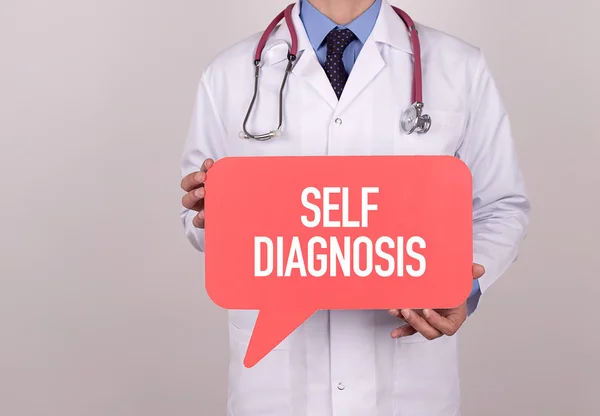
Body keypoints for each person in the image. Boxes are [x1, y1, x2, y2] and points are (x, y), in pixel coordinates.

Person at [180, 0, 530, 414]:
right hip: (277, 384)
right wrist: (214, 218)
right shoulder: (229, 73)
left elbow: (501, 205)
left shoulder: (458, 66)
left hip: (406, 386)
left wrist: (460, 286)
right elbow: (198, 217)